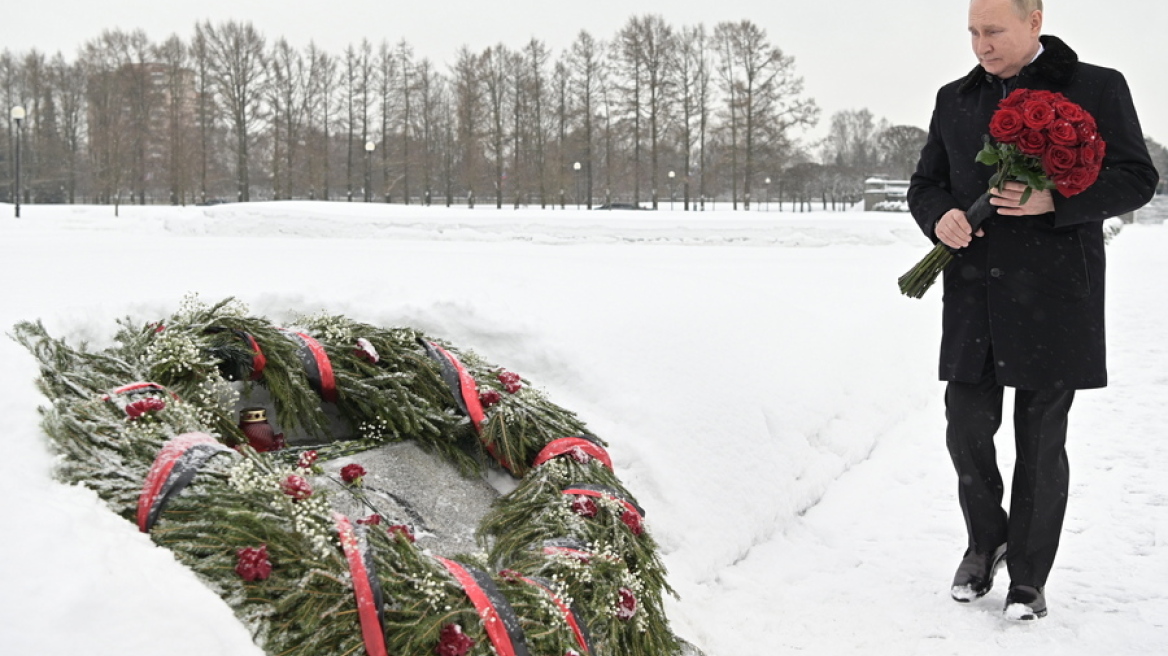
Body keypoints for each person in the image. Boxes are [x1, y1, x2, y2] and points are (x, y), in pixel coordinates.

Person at [907, 0, 1159, 621]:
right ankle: (985, 539)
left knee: (1041, 438)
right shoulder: (954, 98)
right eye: (972, 31)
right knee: (965, 424)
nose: (980, 44)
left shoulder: (1097, 86)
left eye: (993, 30)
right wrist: (938, 215)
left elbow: (1136, 178)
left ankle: (1028, 576)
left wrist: (1057, 200)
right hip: (974, 292)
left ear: (1034, 20)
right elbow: (926, 183)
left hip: (1055, 295)